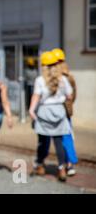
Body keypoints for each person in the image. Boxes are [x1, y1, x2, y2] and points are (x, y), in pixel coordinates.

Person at [29, 51, 73, 182]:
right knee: (59, 142)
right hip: (59, 111)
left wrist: (31, 110)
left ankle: (40, 165)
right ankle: (61, 169)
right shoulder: (63, 79)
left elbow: (36, 97)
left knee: (42, 141)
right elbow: (70, 96)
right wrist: (61, 97)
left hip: (44, 112)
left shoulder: (40, 80)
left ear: (43, 66)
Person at [52, 48, 78, 176]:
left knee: (58, 138)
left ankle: (63, 164)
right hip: (66, 111)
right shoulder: (69, 76)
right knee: (68, 137)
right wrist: (69, 106)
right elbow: (73, 95)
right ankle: (70, 164)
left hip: (54, 111)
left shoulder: (53, 77)